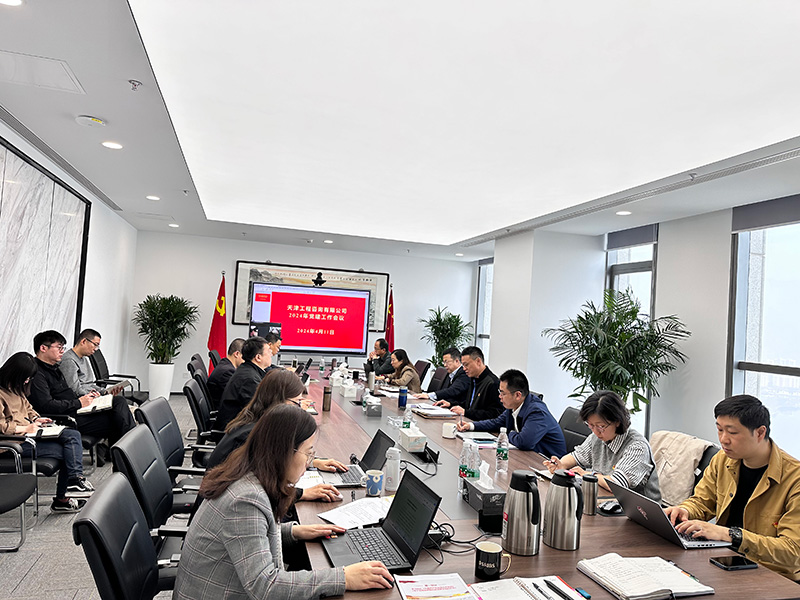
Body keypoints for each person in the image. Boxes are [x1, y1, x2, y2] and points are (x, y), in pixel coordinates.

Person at [173, 404, 394, 598]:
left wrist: (294, 531)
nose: (309, 462)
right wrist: (344, 578)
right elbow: (265, 586)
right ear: (284, 451)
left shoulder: (249, 472)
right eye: (308, 454)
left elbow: (247, 538)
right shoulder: (245, 500)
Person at [664, 395, 800, 581]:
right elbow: (702, 501)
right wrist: (684, 510)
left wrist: (731, 535)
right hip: (725, 561)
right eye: (719, 430)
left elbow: (793, 551)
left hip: (771, 576)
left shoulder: (794, 478)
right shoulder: (722, 459)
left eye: (732, 432)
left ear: (760, 433)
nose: (723, 439)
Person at [207, 369, 348, 505]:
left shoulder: (255, 419)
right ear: (278, 400)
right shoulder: (253, 435)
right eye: (297, 403)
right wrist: (302, 493)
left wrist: (312, 461)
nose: (299, 408)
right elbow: (264, 487)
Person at [0, 352, 93, 512]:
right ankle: (64, 496)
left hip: (28, 436)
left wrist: (37, 419)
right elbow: (1, 426)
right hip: (11, 444)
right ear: (15, 373)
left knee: (72, 436)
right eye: (26, 378)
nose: (27, 381)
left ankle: (73, 483)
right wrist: (25, 428)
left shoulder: (15, 388)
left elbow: (28, 408)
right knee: (69, 452)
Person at [544, 390, 661, 501]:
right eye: (590, 425)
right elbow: (577, 456)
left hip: (639, 511)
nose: (595, 431)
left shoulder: (637, 446)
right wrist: (561, 465)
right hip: (606, 502)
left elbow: (616, 484)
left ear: (617, 421)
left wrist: (588, 474)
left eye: (600, 426)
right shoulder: (597, 437)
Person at [27, 330, 135, 449]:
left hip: (76, 409)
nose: (62, 351)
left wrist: (93, 396)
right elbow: (46, 405)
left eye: (63, 348)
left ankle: (121, 452)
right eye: (59, 348)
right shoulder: (37, 373)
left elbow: (72, 390)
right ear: (43, 348)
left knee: (119, 405)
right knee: (119, 419)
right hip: (66, 418)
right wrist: (79, 403)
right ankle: (128, 449)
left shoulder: (54, 368)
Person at [458, 369, 566, 456]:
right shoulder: (513, 405)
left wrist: (508, 433)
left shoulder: (537, 412)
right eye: (499, 392)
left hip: (548, 464)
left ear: (518, 395)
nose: (499, 397)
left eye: (503, 393)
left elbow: (524, 443)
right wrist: (471, 426)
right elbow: (496, 423)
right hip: (528, 456)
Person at [214, 336, 274, 430]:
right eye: (269, 351)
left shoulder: (247, 370)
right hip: (234, 431)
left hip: (238, 426)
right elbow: (259, 411)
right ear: (258, 357)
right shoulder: (249, 379)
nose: (271, 354)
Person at [59, 328, 125, 398]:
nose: (96, 349)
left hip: (90, 396)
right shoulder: (69, 360)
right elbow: (74, 390)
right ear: (84, 341)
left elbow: (90, 384)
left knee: (118, 399)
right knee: (119, 401)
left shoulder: (84, 358)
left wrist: (105, 392)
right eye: (95, 345)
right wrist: (95, 395)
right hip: (83, 399)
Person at [447, 346, 503, 421]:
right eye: (463, 365)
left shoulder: (492, 383)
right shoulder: (474, 379)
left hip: (481, 425)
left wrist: (466, 412)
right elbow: (470, 404)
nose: (464, 369)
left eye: (466, 365)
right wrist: (450, 404)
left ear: (478, 361)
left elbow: (495, 414)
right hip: (469, 422)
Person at [206, 338, 245, 406]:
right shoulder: (227, 372)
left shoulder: (225, 364)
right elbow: (238, 396)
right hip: (223, 409)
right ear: (237, 354)